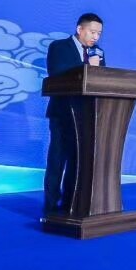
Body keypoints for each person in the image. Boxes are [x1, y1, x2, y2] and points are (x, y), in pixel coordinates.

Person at [43, 12, 104, 214]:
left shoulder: (98, 53)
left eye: (99, 33)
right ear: (80, 29)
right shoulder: (59, 47)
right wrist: (88, 67)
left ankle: (70, 203)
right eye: (92, 32)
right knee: (58, 159)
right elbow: (58, 73)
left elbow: (103, 82)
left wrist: (98, 71)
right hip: (63, 113)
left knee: (78, 162)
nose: (96, 37)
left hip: (86, 116)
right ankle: (51, 206)